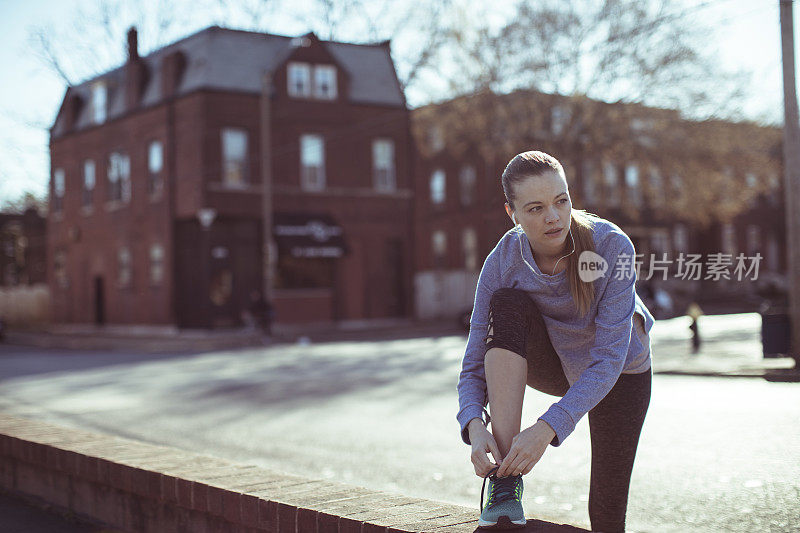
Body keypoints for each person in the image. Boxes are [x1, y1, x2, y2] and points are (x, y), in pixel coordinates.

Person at [457, 151, 653, 532]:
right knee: (507, 303)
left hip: (620, 374)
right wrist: (473, 424)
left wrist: (547, 428)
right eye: (535, 208)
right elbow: (474, 359)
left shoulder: (613, 247)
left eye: (561, 200)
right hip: (555, 363)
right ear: (511, 213)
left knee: (608, 514)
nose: (553, 216)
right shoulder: (503, 260)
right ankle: (504, 483)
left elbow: (609, 360)